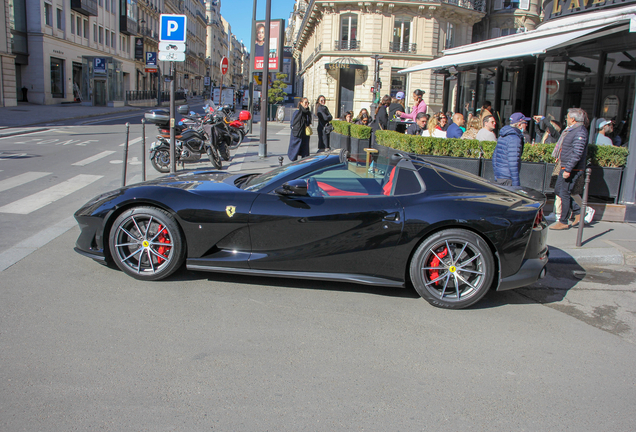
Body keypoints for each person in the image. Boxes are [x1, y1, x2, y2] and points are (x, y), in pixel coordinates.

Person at [550, 107, 589, 230]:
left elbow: (577, 153)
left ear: (572, 119)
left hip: (571, 168)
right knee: (558, 190)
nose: (566, 119)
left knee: (564, 192)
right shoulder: (573, 130)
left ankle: (564, 221)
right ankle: (578, 212)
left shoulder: (580, 131)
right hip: (565, 166)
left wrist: (568, 169)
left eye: (567, 117)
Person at [492, 112, 530, 186]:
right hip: (508, 178)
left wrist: (496, 176)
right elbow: (513, 162)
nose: (526, 125)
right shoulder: (515, 139)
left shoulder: (503, 136)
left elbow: (494, 156)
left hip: (500, 176)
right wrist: (516, 184)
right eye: (525, 123)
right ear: (519, 124)